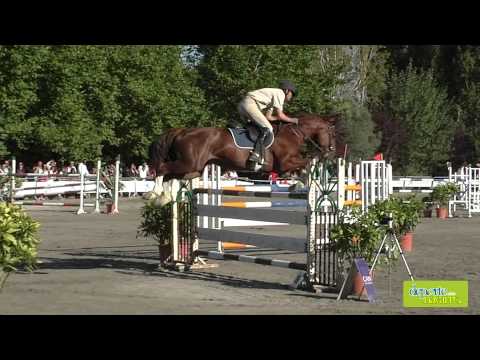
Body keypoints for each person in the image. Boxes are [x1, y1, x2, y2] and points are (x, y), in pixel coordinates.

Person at [237, 80, 299, 165]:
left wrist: (279, 119)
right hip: (250, 104)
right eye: (292, 94)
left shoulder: (274, 98)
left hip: (242, 105)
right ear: (287, 91)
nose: (291, 97)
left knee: (254, 128)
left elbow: (269, 117)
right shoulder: (280, 93)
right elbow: (280, 115)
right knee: (268, 129)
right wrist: (293, 120)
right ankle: (256, 154)